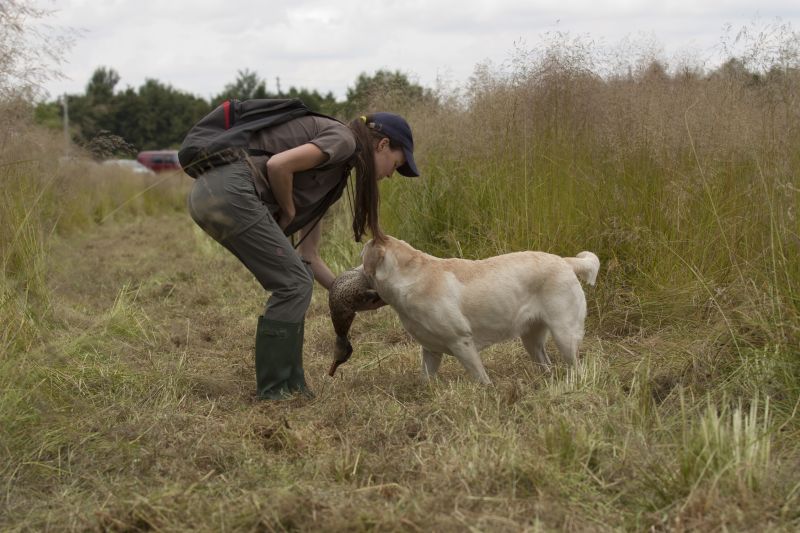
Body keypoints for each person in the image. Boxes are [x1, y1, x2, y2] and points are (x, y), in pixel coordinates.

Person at [187, 110, 419, 400]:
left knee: (296, 278)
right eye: (396, 164)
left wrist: (350, 296)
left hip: (212, 196)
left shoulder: (333, 178)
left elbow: (309, 257)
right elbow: (279, 165)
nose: (390, 174)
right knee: (293, 283)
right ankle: (274, 391)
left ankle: (293, 386)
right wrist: (289, 210)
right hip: (228, 191)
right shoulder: (343, 139)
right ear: (382, 145)